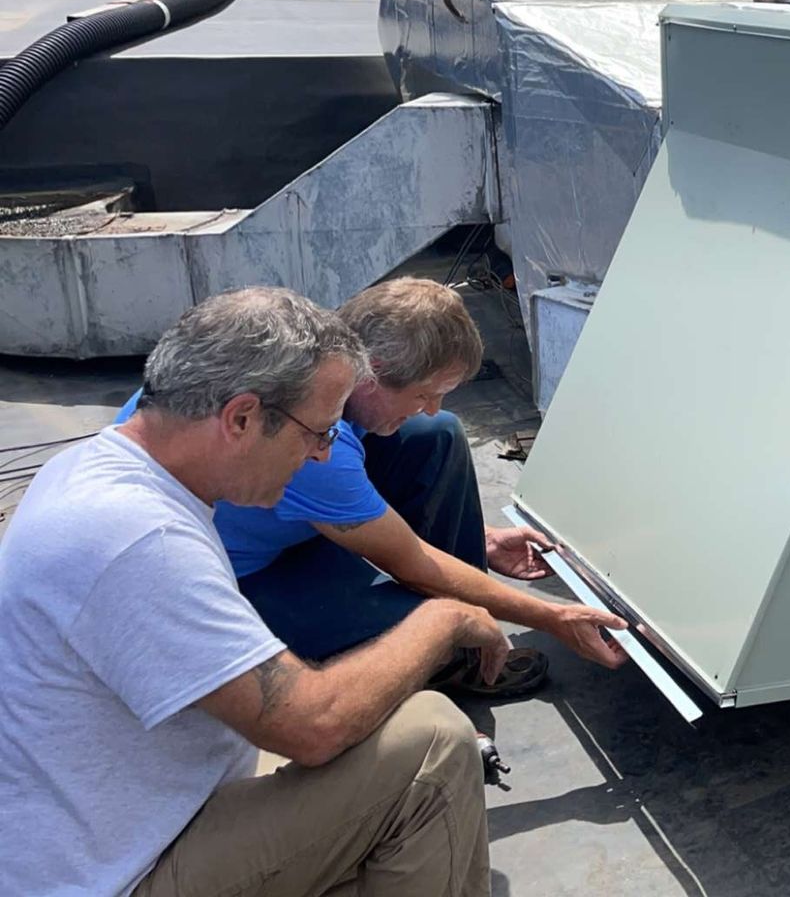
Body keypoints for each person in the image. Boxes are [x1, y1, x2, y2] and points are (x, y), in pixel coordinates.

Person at [0, 287, 508, 896]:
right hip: (120, 872)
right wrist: (444, 619)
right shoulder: (141, 540)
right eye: (318, 433)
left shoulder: (100, 472)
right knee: (433, 743)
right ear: (241, 418)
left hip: (115, 820)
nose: (324, 452)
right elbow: (312, 726)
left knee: (380, 725)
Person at [117, 276, 626, 696]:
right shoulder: (313, 446)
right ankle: (453, 654)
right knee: (428, 624)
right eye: (426, 392)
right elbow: (412, 564)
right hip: (242, 580)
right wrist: (552, 615)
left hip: (276, 525)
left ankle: (466, 637)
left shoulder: (305, 362)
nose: (433, 404)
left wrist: (481, 540)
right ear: (373, 374)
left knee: (433, 435)